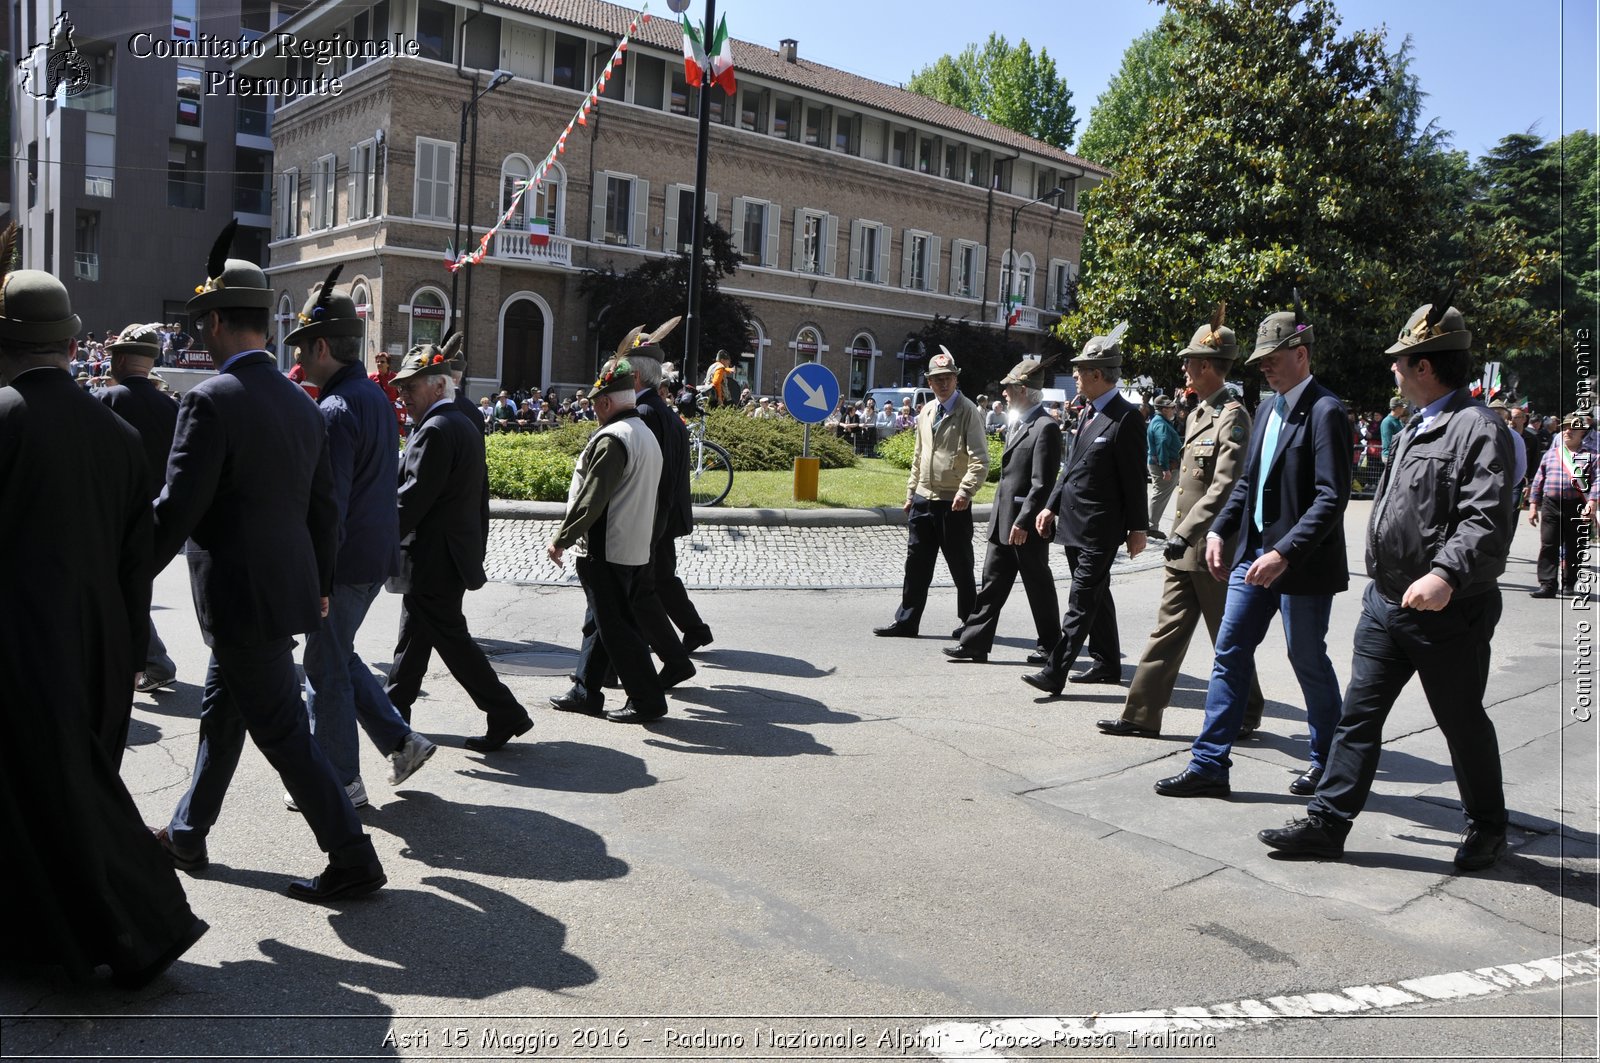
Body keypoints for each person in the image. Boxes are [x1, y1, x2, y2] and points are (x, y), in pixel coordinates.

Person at [151, 220, 385, 902]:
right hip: (280, 592)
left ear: (218, 320)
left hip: (239, 596)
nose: (200, 334)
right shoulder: (302, 402)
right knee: (224, 712)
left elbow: (176, 510)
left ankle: (352, 854)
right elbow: (325, 513)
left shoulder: (208, 400)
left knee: (283, 731)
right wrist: (317, 585)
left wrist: (122, 569)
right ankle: (189, 830)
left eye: (203, 323)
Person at [0, 250, 209, 988]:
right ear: (68, 344)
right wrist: (123, 653)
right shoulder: (116, 436)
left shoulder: (6, 419)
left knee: (59, 799)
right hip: (99, 644)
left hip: (19, 647)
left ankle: (141, 928)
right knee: (63, 793)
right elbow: (134, 564)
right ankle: (57, 933)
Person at [1260, 298, 1516, 870]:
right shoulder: (1414, 425)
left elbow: (1486, 519)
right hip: (1387, 602)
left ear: (1425, 367)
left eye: (1401, 361)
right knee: (1359, 715)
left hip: (1447, 609)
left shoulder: (1477, 428)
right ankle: (1328, 822)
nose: (1393, 370)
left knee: (1461, 720)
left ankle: (1488, 826)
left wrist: (1446, 573)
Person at [1156, 295, 1350, 798]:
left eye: (1273, 357)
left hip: (1299, 564)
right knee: (1229, 652)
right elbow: (1245, 483)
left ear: (1302, 353)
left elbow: (1332, 497)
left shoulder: (1326, 410)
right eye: (1260, 360)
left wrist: (1284, 551)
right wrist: (1220, 530)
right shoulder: (1265, 408)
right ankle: (1209, 764)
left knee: (1306, 658)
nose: (1264, 366)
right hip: (1251, 559)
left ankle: (1328, 762)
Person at [284, 266, 437, 811]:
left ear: (323, 345)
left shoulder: (332, 409)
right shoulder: (369, 398)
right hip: (373, 554)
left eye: (303, 348)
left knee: (323, 671)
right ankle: (402, 741)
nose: (299, 360)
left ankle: (340, 783)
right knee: (337, 655)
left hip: (343, 561)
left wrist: (316, 576)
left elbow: (330, 507)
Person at [1097, 307, 1265, 738]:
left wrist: (1187, 533)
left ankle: (1247, 711)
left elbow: (1224, 486)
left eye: (1189, 361)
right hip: (1183, 545)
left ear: (1207, 365)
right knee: (1167, 631)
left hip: (1211, 548)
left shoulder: (1233, 416)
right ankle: (1140, 716)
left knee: (1225, 637)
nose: (1184, 368)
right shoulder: (1196, 413)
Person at [385, 345, 534, 750]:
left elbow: (411, 500)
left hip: (434, 557)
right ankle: (396, 716)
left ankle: (505, 712)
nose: (403, 395)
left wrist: (370, 540)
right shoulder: (458, 421)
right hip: (446, 554)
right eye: (401, 388)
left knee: (450, 641)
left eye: (409, 387)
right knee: (416, 638)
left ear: (437, 386)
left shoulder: (435, 429)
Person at [1023, 323, 1148, 693]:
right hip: (1075, 522)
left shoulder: (1126, 418)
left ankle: (1055, 671)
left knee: (1081, 598)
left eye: (1080, 370)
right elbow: (1071, 466)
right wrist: (1050, 506)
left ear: (1097, 374)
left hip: (1101, 526)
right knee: (1096, 594)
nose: (1075, 376)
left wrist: (1138, 528)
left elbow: (1134, 478)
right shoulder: (1088, 412)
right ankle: (1108, 662)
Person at [546, 354, 668, 722]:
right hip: (631, 545)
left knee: (617, 629)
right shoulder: (645, 434)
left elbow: (591, 498)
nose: (593, 413)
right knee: (600, 623)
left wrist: (562, 539)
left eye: (595, 406)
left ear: (604, 402)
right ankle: (585, 691)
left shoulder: (613, 438)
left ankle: (648, 700)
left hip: (606, 547)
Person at [943, 356, 1062, 664]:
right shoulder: (1019, 423)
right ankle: (974, 643)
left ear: (1024, 390)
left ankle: (1051, 645)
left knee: (1038, 585)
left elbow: (1042, 484)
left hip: (1025, 525)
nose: (1004, 393)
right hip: (1003, 522)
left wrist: (1024, 521)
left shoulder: (1045, 427)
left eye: (1009, 388)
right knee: (991, 584)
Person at [873, 348, 989, 638]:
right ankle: (907, 621)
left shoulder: (968, 411)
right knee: (916, 566)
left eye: (948, 378)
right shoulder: (926, 411)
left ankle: (969, 623)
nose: (943, 383)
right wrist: (911, 493)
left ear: (955, 379)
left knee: (961, 567)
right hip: (924, 499)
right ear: (929, 382)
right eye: (937, 379)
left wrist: (966, 490)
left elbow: (980, 460)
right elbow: (918, 455)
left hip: (954, 502)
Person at [98, 321, 182, 694]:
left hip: (112, 516)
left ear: (121, 359)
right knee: (127, 588)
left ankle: (153, 660)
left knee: (116, 589)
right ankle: (151, 659)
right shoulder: (172, 407)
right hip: (157, 515)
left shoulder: (104, 401)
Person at [1527, 411, 1598, 598]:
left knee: (1575, 546)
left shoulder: (1591, 456)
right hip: (1551, 504)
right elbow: (1538, 480)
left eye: (1573, 428)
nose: (1568, 431)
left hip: (1576, 504)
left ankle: (1569, 583)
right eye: (1565, 428)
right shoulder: (1551, 454)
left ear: (1582, 432)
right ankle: (1547, 584)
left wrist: (1592, 502)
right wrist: (1533, 505)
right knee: (1548, 544)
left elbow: (1598, 481)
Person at [1146, 394, 1182, 537]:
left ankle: (1151, 525)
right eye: (1172, 407)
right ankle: (1151, 526)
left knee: (1159, 495)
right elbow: (1162, 445)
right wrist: (1165, 468)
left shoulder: (1159, 421)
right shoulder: (1161, 423)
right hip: (1165, 466)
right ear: (1164, 409)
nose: (1174, 410)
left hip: (1163, 465)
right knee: (1160, 496)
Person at [1379, 398, 1407, 466]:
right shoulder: (1387, 422)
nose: (1404, 409)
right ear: (1397, 408)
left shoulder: (1398, 421)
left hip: (1397, 455)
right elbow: (1388, 442)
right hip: (1390, 456)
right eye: (1402, 407)